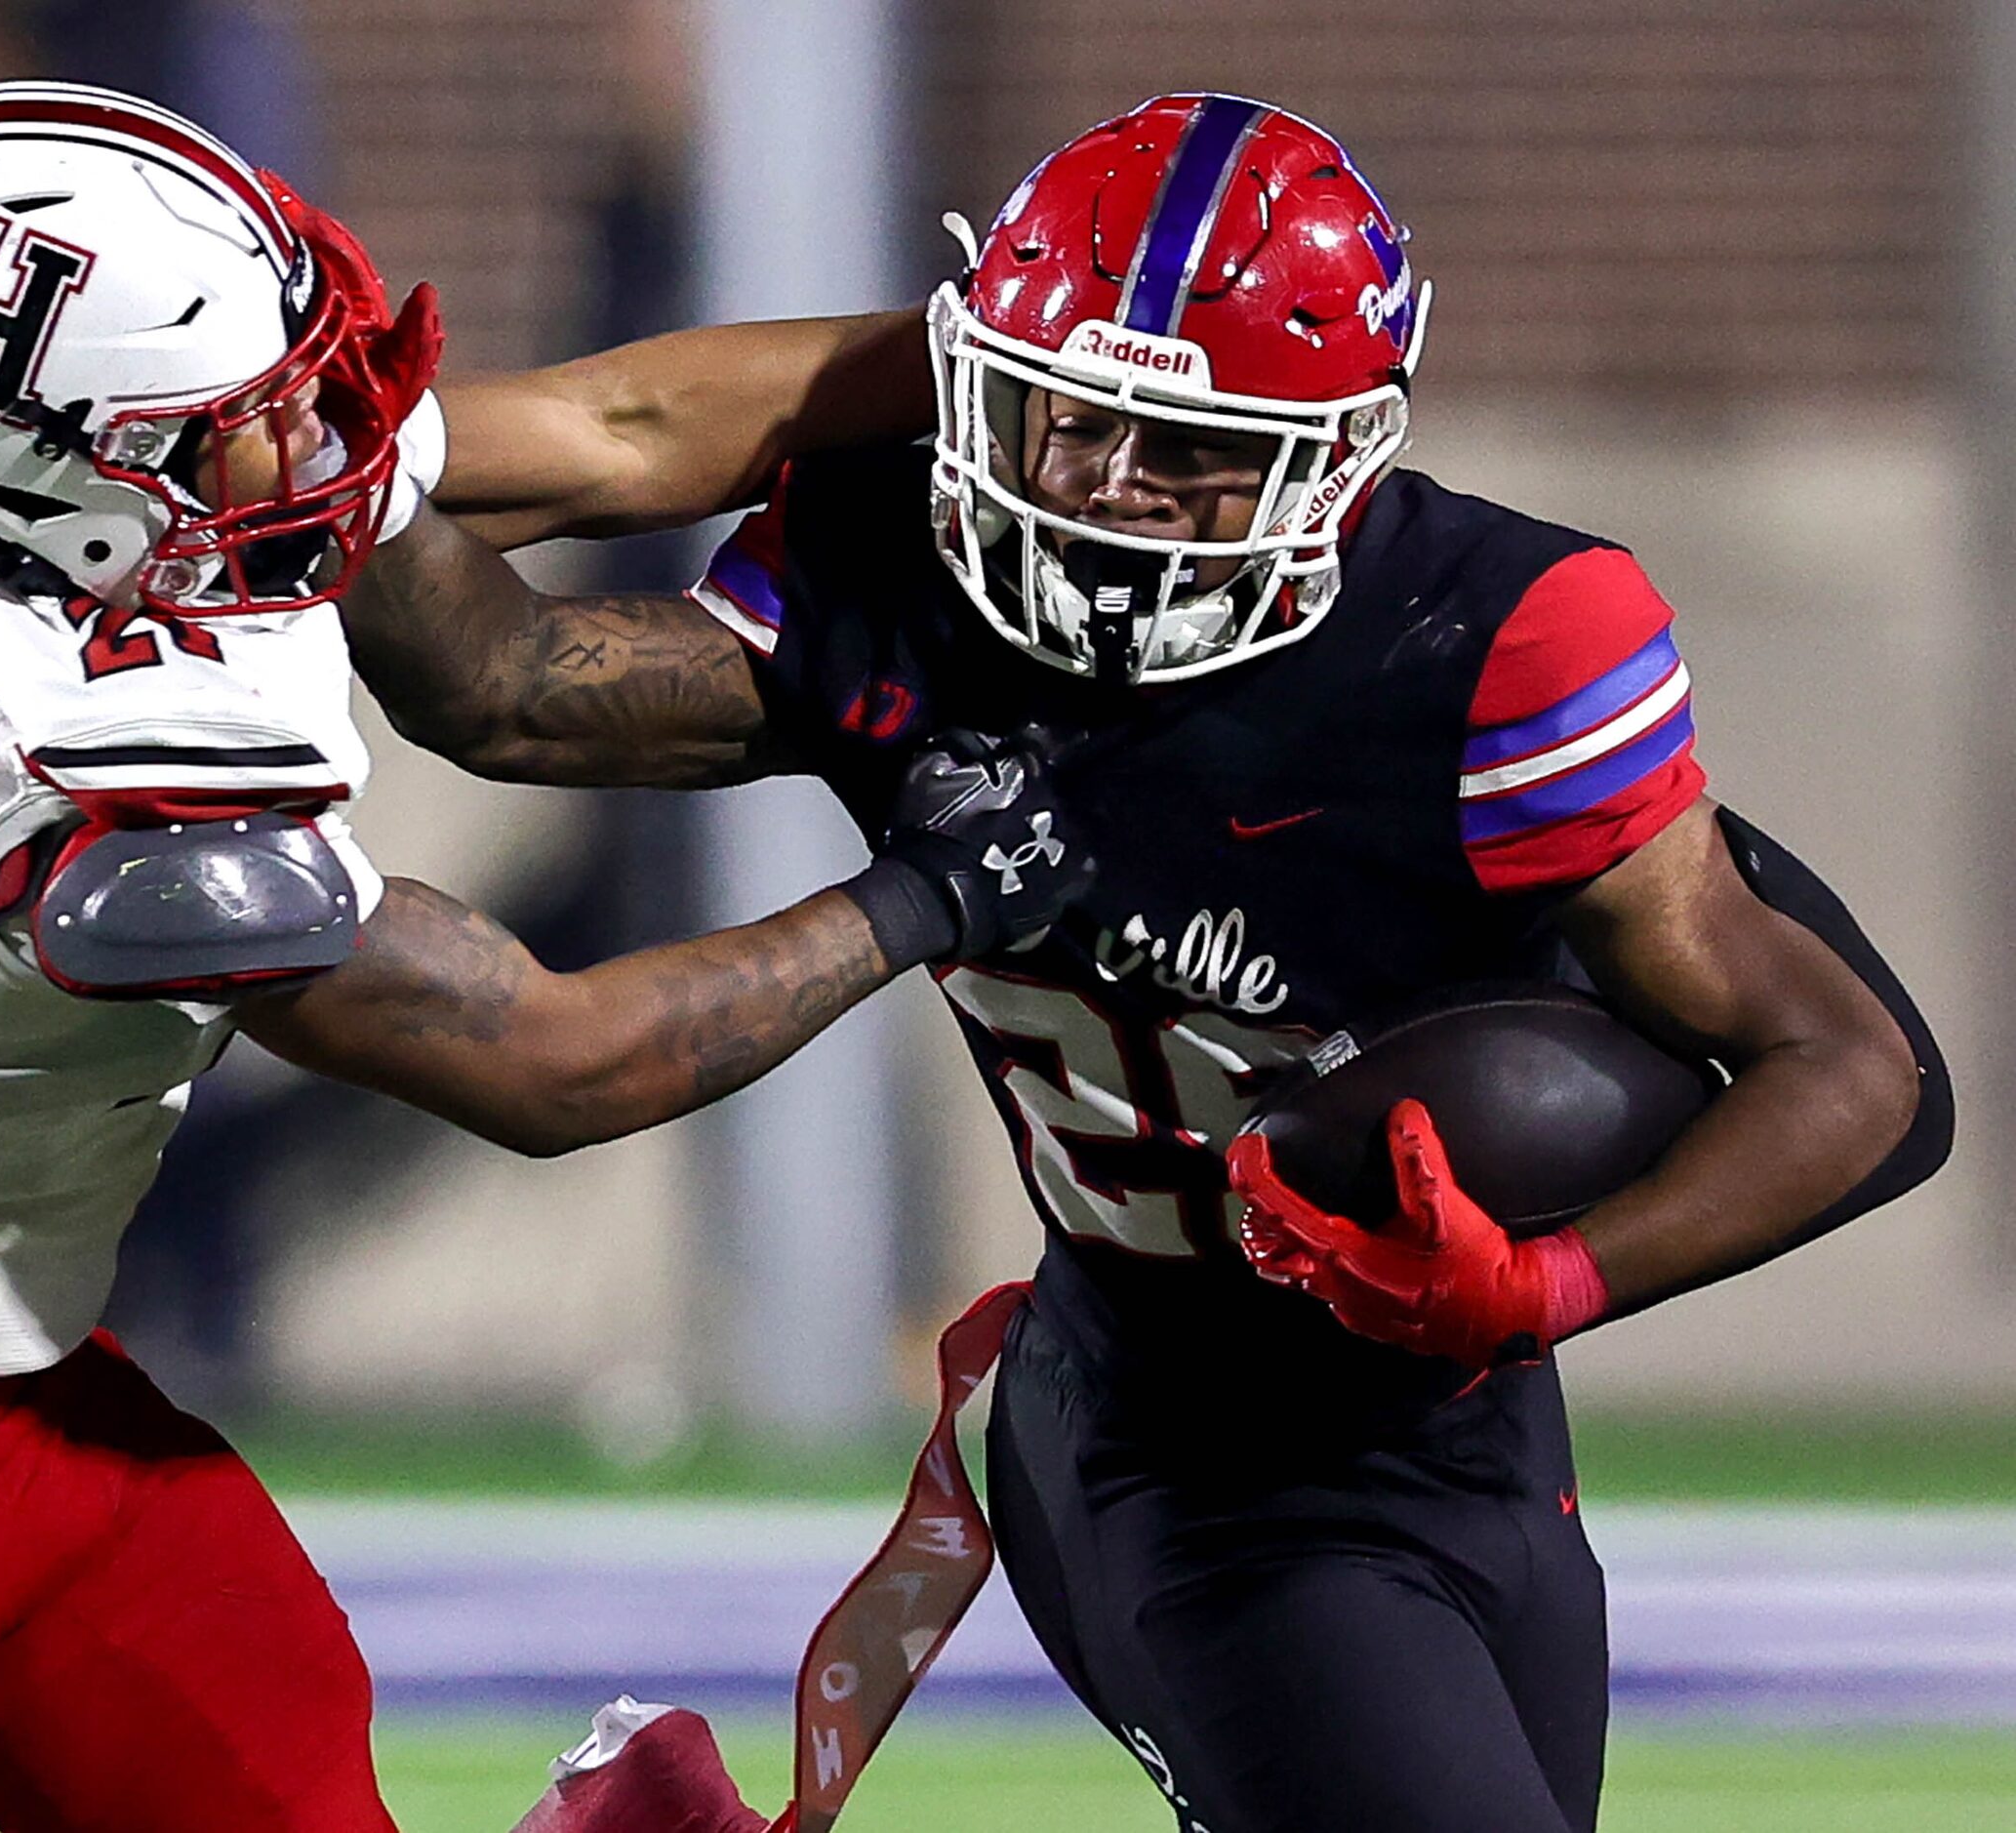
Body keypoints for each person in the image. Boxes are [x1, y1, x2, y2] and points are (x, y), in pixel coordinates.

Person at [343, 93, 1951, 1833]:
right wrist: (313, 461)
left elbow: (1858, 1075)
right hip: (1172, 1429)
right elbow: (506, 678)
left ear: (1339, 457)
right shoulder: (914, 571)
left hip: (1468, 1432)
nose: (1105, 492)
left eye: (1186, 451)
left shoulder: (1493, 646)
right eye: (1065, 424)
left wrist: (1549, 1285)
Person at [0, 81, 1093, 1833]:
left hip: (16, 1398)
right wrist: (926, 891)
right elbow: (550, 1061)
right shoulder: (69, 772)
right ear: (74, 487)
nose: (310, 421)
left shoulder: (76, 520)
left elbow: (623, 425)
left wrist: (1019, 357)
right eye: (237, 414)